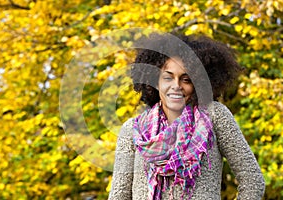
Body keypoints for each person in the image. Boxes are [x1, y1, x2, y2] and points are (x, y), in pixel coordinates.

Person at [108, 33, 265, 200]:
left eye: (186, 79)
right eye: (168, 77)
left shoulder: (215, 116)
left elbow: (252, 179)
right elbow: (119, 194)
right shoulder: (132, 130)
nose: (176, 86)